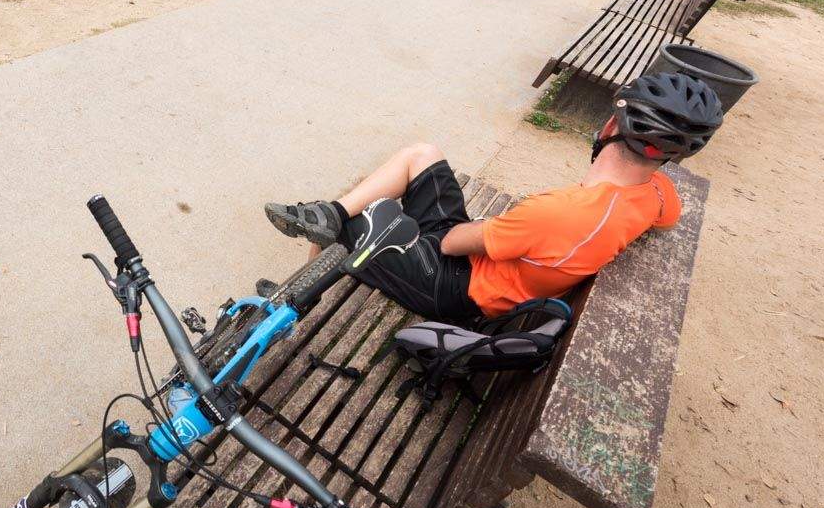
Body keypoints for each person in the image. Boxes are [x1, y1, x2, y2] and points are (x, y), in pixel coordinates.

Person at [262, 72, 722, 324]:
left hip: (456, 287)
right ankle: (329, 211)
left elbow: (449, 243)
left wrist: (473, 229)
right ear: (668, 159)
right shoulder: (658, 195)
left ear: (609, 127)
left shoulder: (559, 213)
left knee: (367, 216)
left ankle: (286, 308)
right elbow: (666, 214)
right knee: (423, 155)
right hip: (486, 268)